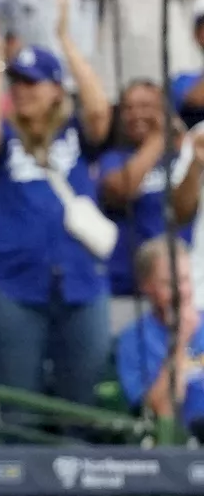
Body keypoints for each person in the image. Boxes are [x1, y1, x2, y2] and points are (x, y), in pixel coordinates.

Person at [0, 0, 114, 424]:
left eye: (32, 81)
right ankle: (22, 494)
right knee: (20, 406)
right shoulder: (4, 143)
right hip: (16, 284)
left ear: (56, 89)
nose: (22, 90)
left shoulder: (75, 133)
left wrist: (66, 42)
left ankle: (79, 493)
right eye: (17, 82)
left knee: (79, 403)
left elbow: (99, 110)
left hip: (81, 281)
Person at [99, 81, 189, 333]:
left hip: (184, 290)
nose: (136, 114)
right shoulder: (113, 158)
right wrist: (160, 138)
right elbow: (122, 189)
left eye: (146, 106)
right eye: (128, 108)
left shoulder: (185, 156)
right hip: (127, 291)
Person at [115, 236, 204, 435]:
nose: (180, 291)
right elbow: (160, 412)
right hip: (178, 446)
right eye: (168, 284)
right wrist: (180, 341)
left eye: (184, 280)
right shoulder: (134, 339)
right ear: (147, 286)